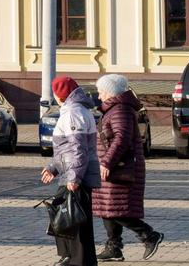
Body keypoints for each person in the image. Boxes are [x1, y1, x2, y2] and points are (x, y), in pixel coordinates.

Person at [94, 74, 164, 260]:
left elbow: (122, 139)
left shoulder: (120, 110)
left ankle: (149, 235)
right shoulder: (114, 109)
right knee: (106, 207)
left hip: (121, 167)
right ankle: (113, 247)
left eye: (101, 92)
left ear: (110, 92)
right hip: (113, 166)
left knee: (116, 208)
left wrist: (107, 161)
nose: (99, 96)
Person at [43, 74, 100, 266]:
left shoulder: (73, 113)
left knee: (72, 218)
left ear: (61, 95)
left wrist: (74, 177)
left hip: (76, 175)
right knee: (70, 215)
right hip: (72, 172)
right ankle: (74, 258)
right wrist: (53, 167)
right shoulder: (76, 110)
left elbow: (78, 149)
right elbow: (66, 149)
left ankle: (77, 260)